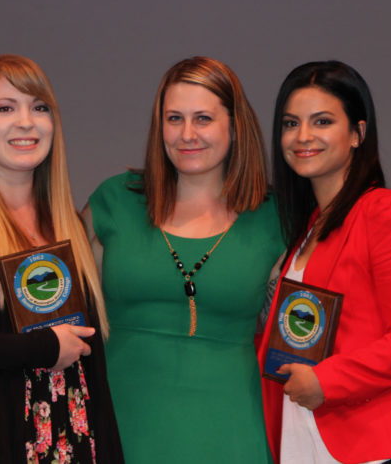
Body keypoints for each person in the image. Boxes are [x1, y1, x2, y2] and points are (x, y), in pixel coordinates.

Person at [83, 56, 285, 463]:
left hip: (232, 429)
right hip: (120, 421)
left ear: (235, 125)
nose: (187, 134)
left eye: (204, 119)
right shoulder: (115, 200)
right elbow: (46, 295)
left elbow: (313, 320)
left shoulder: (277, 217)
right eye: (174, 118)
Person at [258, 60, 391, 463]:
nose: (303, 136)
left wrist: (327, 381)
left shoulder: (387, 211)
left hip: (377, 446)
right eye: (290, 124)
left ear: (358, 133)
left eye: (322, 121)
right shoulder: (305, 230)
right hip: (305, 443)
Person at [0, 54, 124, 463]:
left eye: (39, 107)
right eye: (5, 108)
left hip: (78, 444)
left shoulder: (68, 226)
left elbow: (92, 367)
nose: (26, 121)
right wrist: (38, 348)